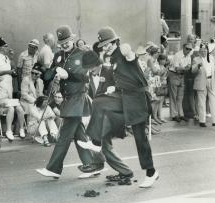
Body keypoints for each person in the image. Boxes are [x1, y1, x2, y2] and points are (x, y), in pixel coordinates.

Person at [77, 26, 159, 188]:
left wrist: (125, 49)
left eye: (108, 43)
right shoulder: (112, 59)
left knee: (140, 138)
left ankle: (151, 172)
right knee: (100, 102)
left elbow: (129, 53)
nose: (106, 47)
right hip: (124, 97)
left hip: (137, 101)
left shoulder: (123, 54)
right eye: (103, 45)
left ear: (115, 41)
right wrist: (114, 88)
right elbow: (123, 78)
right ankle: (96, 141)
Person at [36, 25, 105, 178]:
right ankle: (92, 164)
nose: (65, 44)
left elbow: (86, 76)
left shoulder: (83, 54)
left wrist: (68, 75)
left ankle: (53, 168)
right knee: (79, 134)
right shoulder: (59, 55)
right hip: (67, 99)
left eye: (67, 41)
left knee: (65, 135)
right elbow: (50, 73)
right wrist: (49, 73)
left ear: (72, 39)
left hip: (78, 98)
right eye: (62, 42)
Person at [192, 43, 215, 127]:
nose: (203, 52)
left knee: (214, 100)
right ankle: (202, 121)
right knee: (201, 102)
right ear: (199, 51)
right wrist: (198, 66)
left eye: (205, 50)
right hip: (201, 81)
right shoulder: (196, 59)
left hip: (211, 80)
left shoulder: (211, 58)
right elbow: (193, 71)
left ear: (207, 51)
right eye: (202, 50)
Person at [0, 73, 26, 140]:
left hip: (7, 105)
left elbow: (10, 99)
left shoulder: (4, 89)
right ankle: (9, 131)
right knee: (11, 109)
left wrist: (14, 102)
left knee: (19, 108)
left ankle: (21, 129)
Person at [168, 43, 192, 122]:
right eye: (187, 48)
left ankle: (181, 114)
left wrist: (183, 68)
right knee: (173, 96)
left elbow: (188, 67)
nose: (188, 50)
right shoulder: (177, 55)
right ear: (183, 48)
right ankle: (174, 115)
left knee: (180, 97)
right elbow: (177, 69)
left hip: (182, 76)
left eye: (190, 49)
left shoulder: (188, 56)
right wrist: (185, 68)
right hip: (174, 75)